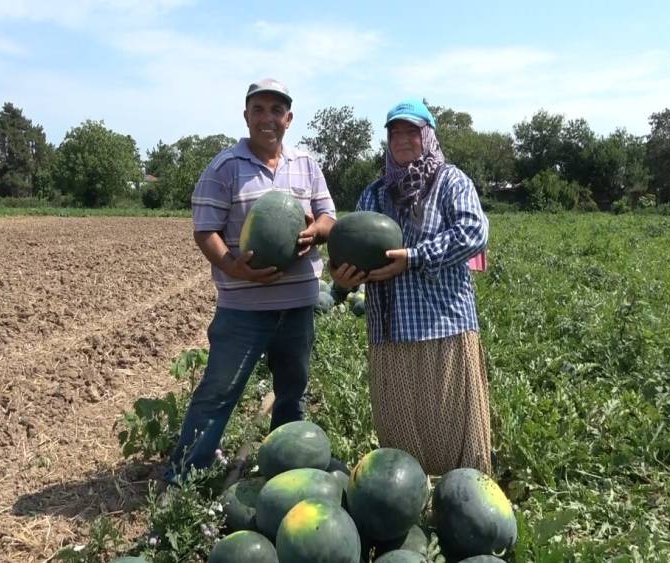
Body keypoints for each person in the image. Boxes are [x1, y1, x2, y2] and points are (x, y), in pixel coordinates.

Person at [164, 78, 337, 484]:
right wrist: (232, 266)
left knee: (293, 390)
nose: (267, 118)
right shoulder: (224, 167)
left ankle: (285, 469)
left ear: (288, 119)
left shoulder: (307, 165)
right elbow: (204, 229)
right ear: (246, 116)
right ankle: (185, 477)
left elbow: (329, 216)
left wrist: (318, 231)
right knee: (218, 392)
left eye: (276, 111)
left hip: (297, 306)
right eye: (258, 109)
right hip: (244, 308)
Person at [331, 98, 492, 475]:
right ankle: (409, 501)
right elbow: (353, 245)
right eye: (394, 132)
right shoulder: (373, 194)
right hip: (389, 330)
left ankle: (461, 498)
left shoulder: (451, 181)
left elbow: (474, 233)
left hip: (444, 326)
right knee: (401, 430)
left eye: (411, 131)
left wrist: (414, 257)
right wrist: (343, 278)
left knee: (452, 426)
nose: (402, 139)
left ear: (427, 135)